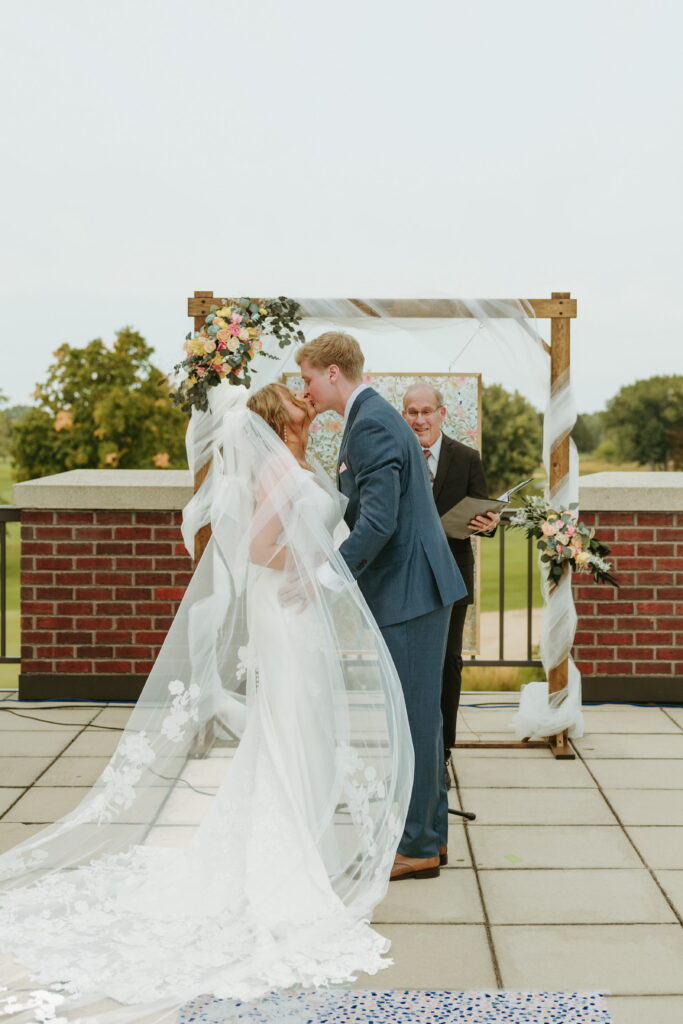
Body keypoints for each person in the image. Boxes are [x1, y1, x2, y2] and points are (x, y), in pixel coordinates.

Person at [0, 382, 413, 1024]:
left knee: (304, 725)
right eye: (301, 406)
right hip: (286, 608)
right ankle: (283, 864)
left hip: (303, 615)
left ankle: (294, 837)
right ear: (284, 419)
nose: (311, 408)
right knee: (289, 726)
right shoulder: (279, 466)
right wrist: (308, 566)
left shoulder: (299, 462)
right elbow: (255, 548)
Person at [295, 333, 467, 882]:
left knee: (415, 724)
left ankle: (416, 846)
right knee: (424, 720)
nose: (306, 390)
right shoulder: (372, 417)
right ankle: (430, 839)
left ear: (333, 374)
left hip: (410, 592)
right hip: (415, 588)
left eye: (308, 378)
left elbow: (377, 523)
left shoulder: (369, 423)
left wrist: (324, 575)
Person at [402, 381, 499, 782]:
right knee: (409, 665)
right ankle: (409, 748)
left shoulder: (467, 457)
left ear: (443, 413)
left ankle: (442, 751)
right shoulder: (396, 453)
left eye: (427, 411)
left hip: (452, 575)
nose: (420, 419)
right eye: (412, 412)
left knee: (448, 664)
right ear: (404, 415)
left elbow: (485, 513)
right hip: (406, 576)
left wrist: (489, 524)